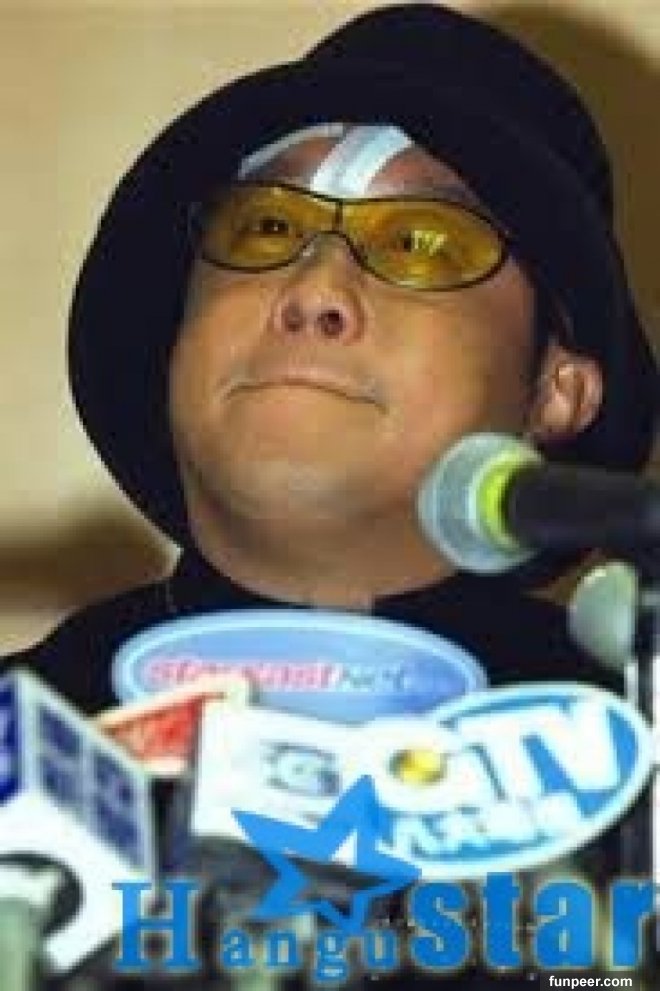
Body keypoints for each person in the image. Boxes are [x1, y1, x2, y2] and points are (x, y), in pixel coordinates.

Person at [2, 3, 658, 989]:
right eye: (267, 226)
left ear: (556, 390)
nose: (314, 290)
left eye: (424, 241)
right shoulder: (23, 736)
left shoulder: (635, 781)